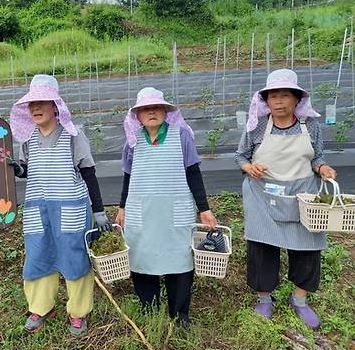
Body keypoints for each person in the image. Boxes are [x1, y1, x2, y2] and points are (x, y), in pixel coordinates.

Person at [9, 74, 110, 337]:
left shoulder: (72, 136)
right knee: (38, 256)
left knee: (74, 257)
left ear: (55, 106)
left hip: (70, 210)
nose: (36, 108)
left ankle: (78, 312)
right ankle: (41, 308)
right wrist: (17, 168)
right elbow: (29, 171)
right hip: (37, 209)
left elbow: (89, 173)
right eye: (32, 104)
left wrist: (98, 212)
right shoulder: (28, 138)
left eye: (42, 102)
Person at [235, 69, 337, 328]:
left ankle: (300, 300)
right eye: (273, 97)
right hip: (263, 195)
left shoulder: (310, 126)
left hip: (302, 194)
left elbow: (316, 157)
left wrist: (322, 168)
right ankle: (264, 298)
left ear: (296, 100)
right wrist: (249, 168)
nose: (278, 101)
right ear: (266, 101)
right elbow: (241, 157)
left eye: (284, 96)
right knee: (261, 246)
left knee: (308, 245)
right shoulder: (257, 126)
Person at [115, 87, 217, 328]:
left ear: (165, 112)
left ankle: (179, 313)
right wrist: (122, 207)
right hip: (142, 210)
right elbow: (128, 177)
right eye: (145, 108)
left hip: (175, 210)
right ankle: (149, 309)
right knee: (141, 256)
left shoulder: (181, 136)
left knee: (179, 259)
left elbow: (193, 172)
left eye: (157, 107)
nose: (151, 111)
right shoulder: (132, 141)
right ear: (137, 115)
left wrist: (204, 208)